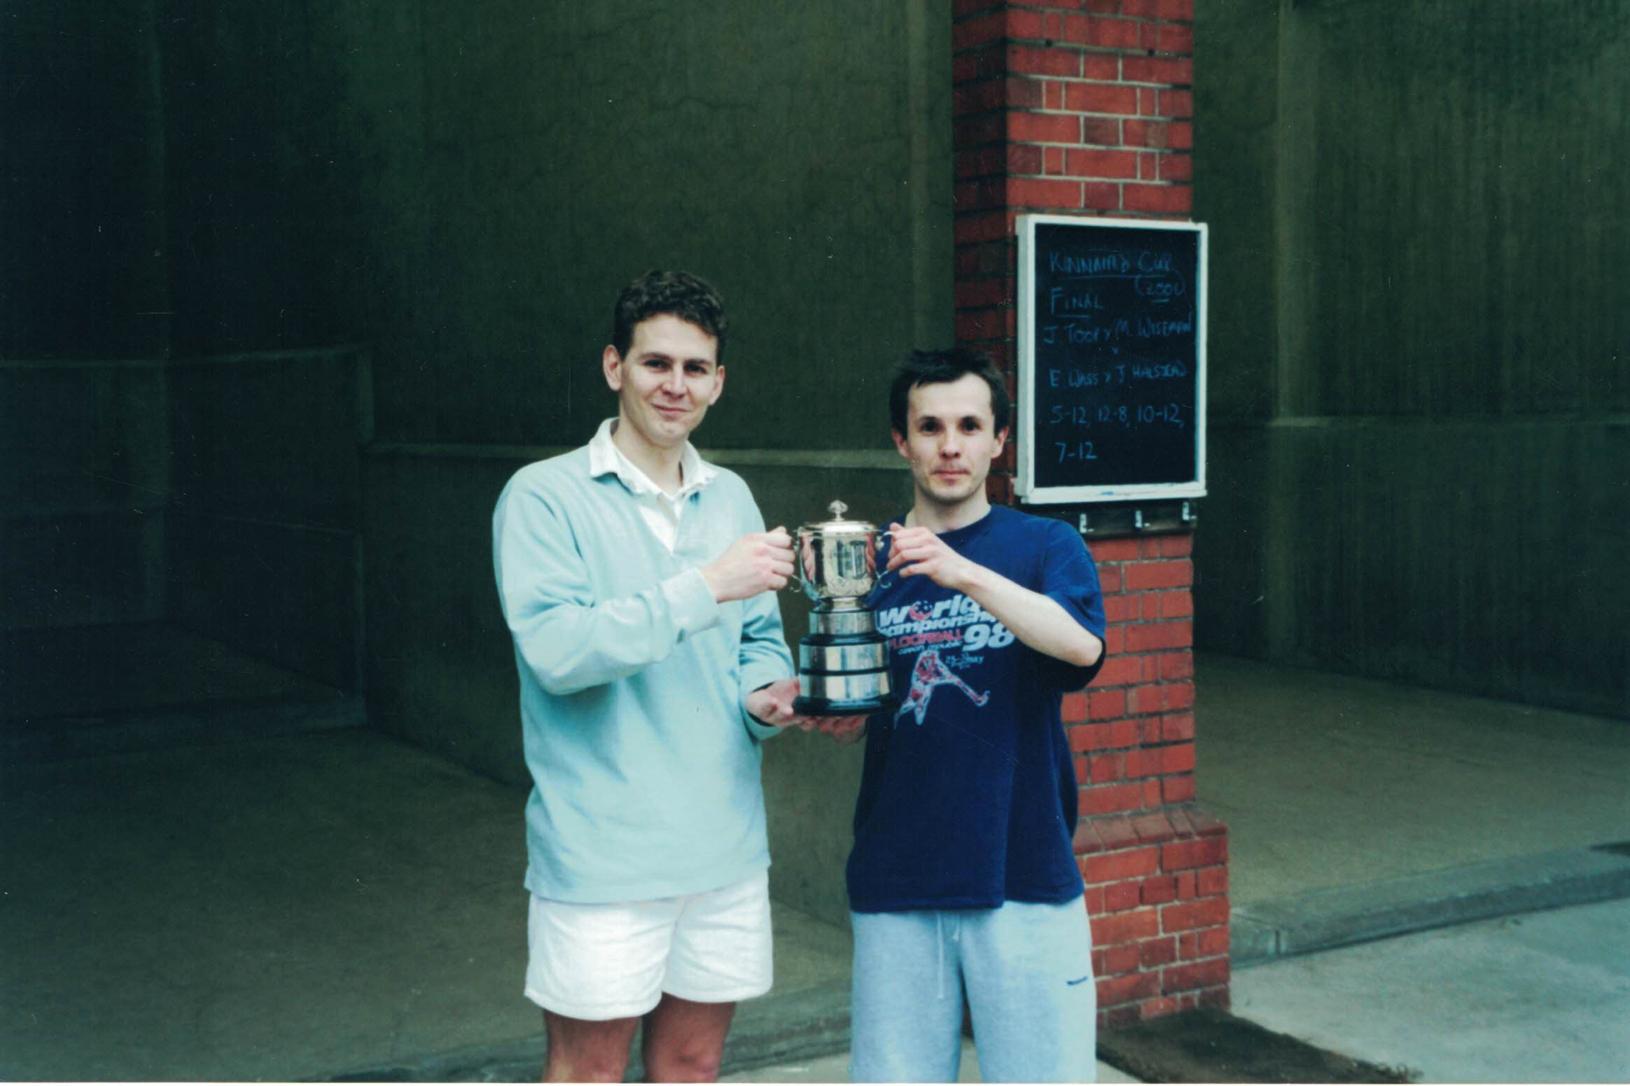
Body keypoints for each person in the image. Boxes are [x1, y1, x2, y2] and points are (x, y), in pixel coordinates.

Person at [492, 270, 826, 1082]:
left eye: (695, 368)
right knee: (590, 1074)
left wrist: (765, 699)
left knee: (692, 1065)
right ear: (615, 367)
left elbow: (757, 643)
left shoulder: (732, 497)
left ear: (718, 381)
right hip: (602, 854)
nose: (675, 386)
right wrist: (705, 584)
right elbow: (560, 652)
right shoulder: (543, 497)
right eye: (655, 364)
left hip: (724, 849)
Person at [843, 347, 1108, 1083]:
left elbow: (1082, 648)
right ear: (902, 441)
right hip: (899, 875)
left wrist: (958, 569)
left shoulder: (1045, 545)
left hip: (1023, 871)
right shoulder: (869, 566)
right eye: (929, 427)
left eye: (969, 425)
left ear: (1000, 439)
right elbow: (864, 698)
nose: (950, 445)